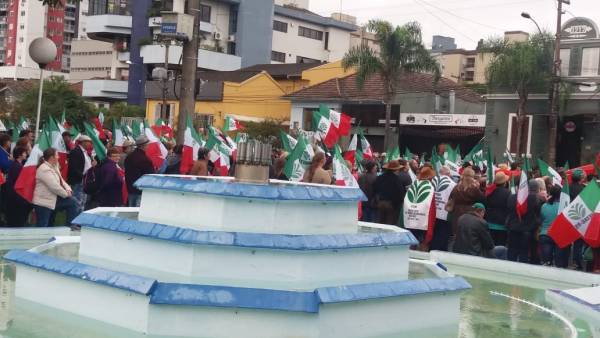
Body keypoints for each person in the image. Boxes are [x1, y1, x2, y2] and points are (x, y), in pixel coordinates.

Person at [32, 148, 78, 227]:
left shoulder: (53, 166)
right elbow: (54, 186)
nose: (58, 157)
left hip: (52, 200)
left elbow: (61, 180)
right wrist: (66, 194)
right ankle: (39, 239)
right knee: (43, 226)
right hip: (43, 203)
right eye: (57, 155)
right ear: (51, 157)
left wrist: (68, 189)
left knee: (73, 202)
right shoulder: (44, 168)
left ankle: (70, 227)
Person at [506, 180, 542, 263]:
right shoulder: (534, 198)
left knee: (512, 251)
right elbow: (537, 212)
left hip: (513, 228)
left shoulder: (511, 197)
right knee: (524, 252)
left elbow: (509, 209)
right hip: (527, 229)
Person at [448, 168, 485, 248]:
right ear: (472, 177)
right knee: (467, 237)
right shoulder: (474, 189)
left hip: (456, 214)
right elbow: (482, 199)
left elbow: (450, 198)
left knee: (456, 236)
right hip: (469, 213)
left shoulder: (456, 188)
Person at [2, 147, 31, 226]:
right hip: (15, 199)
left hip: (13, 198)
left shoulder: (16, 165)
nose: (26, 154)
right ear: (19, 155)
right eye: (24, 153)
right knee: (16, 222)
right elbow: (18, 183)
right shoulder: (17, 167)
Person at [373, 160, 407, 225]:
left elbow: (375, 189)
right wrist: (397, 205)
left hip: (380, 203)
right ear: (396, 169)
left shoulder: (380, 177)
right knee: (390, 224)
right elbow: (400, 194)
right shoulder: (397, 179)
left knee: (380, 223)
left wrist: (377, 200)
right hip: (391, 205)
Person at [124, 136, 155, 207]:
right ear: (144, 146)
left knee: (131, 213)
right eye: (148, 144)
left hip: (130, 189)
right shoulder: (145, 159)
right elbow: (150, 177)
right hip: (141, 191)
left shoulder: (129, 157)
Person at [67, 135, 94, 213]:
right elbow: (74, 167)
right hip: (78, 180)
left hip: (84, 180)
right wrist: (83, 176)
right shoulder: (76, 151)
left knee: (82, 201)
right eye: (89, 142)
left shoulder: (86, 153)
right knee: (77, 201)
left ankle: (79, 219)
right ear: (83, 142)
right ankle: (74, 219)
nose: (90, 144)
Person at [485, 172, 511, 246]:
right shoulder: (508, 193)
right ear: (505, 182)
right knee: (500, 249)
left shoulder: (489, 191)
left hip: (489, 223)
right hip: (502, 225)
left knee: (490, 247)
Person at [539, 186, 561, 266]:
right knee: (559, 265)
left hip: (545, 235)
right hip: (559, 236)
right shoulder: (563, 207)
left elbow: (541, 221)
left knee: (546, 263)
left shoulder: (544, 206)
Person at [570, 169, 586, 270]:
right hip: (581, 217)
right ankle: (577, 262)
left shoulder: (567, 187)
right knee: (578, 242)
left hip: (569, 216)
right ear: (581, 178)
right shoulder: (584, 189)